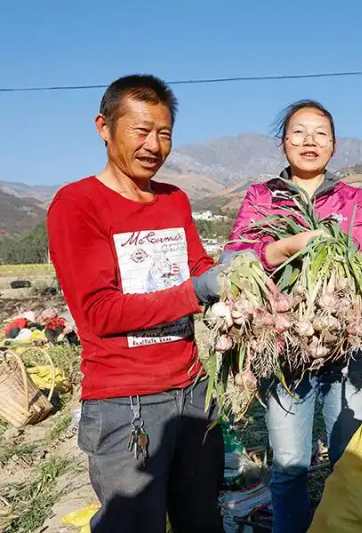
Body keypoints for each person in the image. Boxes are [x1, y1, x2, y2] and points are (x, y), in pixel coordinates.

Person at [47, 75, 225, 533]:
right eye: (141, 131)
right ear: (104, 127)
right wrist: (197, 292)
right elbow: (99, 312)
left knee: (201, 519)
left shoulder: (174, 199)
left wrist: (241, 273)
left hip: (192, 394)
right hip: (127, 406)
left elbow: (198, 265)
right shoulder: (77, 204)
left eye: (164, 133)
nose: (154, 145)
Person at [223, 100, 362, 533]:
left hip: (344, 343)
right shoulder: (262, 196)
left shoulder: (351, 198)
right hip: (285, 343)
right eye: (299, 132)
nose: (310, 141)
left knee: (350, 459)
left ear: (334, 144)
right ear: (283, 143)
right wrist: (279, 251)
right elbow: (235, 255)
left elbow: (361, 259)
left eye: (320, 133)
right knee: (289, 465)